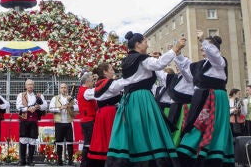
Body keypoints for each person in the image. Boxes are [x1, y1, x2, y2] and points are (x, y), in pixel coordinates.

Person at [105, 31, 186, 167]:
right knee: (149, 129)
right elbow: (159, 64)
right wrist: (175, 49)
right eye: (145, 42)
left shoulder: (127, 60)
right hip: (142, 98)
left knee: (133, 130)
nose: (147, 44)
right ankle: (150, 161)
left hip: (129, 99)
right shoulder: (142, 59)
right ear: (138, 44)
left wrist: (147, 57)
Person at [175, 30, 234, 166]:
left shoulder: (220, 62)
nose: (202, 47)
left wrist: (203, 40)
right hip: (200, 99)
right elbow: (187, 72)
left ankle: (212, 154)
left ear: (214, 48)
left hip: (215, 98)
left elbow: (214, 55)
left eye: (206, 45)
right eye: (202, 45)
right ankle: (192, 151)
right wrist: (177, 52)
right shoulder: (201, 65)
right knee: (196, 124)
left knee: (213, 126)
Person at [86, 63, 127, 167]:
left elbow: (90, 94)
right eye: (111, 69)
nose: (113, 70)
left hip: (102, 113)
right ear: (105, 72)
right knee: (109, 137)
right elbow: (124, 83)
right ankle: (110, 160)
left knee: (102, 138)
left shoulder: (100, 83)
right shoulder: (109, 83)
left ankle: (101, 159)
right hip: (109, 113)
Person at [16, 79, 48, 166]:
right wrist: (27, 108)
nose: (30, 86)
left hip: (34, 120)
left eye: (31, 85)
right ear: (25, 86)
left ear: (33, 86)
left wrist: (39, 106)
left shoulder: (38, 96)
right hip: (24, 120)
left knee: (32, 140)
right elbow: (18, 106)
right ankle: (22, 160)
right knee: (23, 139)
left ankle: (30, 160)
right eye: (28, 85)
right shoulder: (20, 95)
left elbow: (45, 105)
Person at [49, 83, 78, 166]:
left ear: (67, 89)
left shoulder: (71, 98)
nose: (63, 89)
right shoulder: (55, 98)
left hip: (68, 122)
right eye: (62, 88)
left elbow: (78, 107)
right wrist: (60, 108)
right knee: (59, 142)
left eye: (65, 87)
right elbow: (50, 109)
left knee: (70, 142)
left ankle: (70, 160)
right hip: (59, 123)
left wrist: (71, 106)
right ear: (59, 89)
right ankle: (59, 160)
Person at [76, 72, 97, 167]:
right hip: (88, 120)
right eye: (92, 81)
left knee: (88, 142)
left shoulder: (84, 91)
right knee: (88, 143)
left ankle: (86, 163)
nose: (93, 83)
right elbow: (97, 92)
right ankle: (85, 163)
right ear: (88, 82)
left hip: (87, 120)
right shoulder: (86, 91)